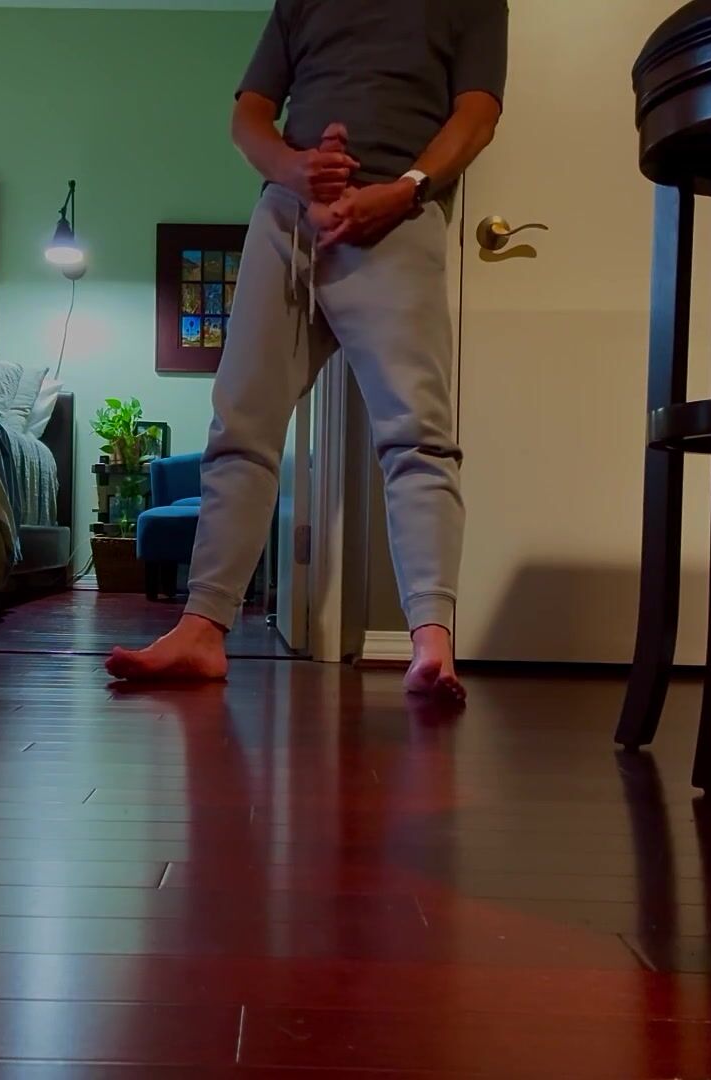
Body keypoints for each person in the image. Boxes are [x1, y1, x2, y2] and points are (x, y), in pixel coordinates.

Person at [107, 0, 509, 700]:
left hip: (396, 219)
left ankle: (432, 643)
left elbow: (476, 115)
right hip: (286, 219)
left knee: (416, 436)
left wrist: (404, 190)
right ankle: (201, 632)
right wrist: (295, 170)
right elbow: (249, 116)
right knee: (240, 427)